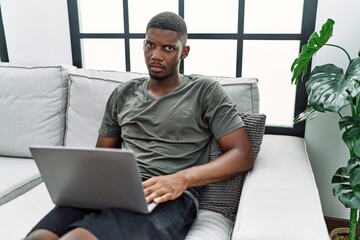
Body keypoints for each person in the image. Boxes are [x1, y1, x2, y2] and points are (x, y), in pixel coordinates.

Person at [26, 11, 253, 240]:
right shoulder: (123, 94)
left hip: (171, 196)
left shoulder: (205, 91)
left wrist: (183, 178)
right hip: (116, 189)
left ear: (184, 52)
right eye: (150, 45)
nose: (155, 55)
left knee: (79, 238)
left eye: (168, 48)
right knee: (40, 236)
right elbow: (102, 156)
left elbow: (242, 154)